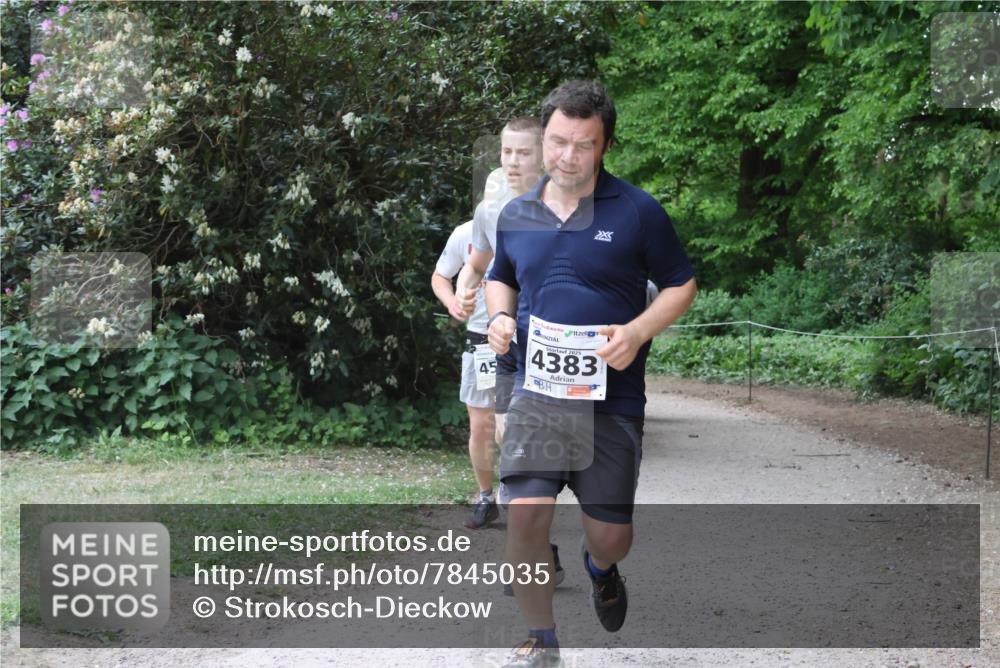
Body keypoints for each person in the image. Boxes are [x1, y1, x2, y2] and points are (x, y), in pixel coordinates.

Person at [485, 80, 697, 667]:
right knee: (524, 512)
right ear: (544, 135)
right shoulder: (518, 212)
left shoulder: (637, 211)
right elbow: (501, 275)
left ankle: (601, 568)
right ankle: (540, 638)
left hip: (611, 398)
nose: (566, 157)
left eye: (583, 145)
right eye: (556, 142)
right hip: (536, 393)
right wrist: (500, 317)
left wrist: (636, 332)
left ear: (604, 146)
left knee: (611, 536)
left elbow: (682, 285)